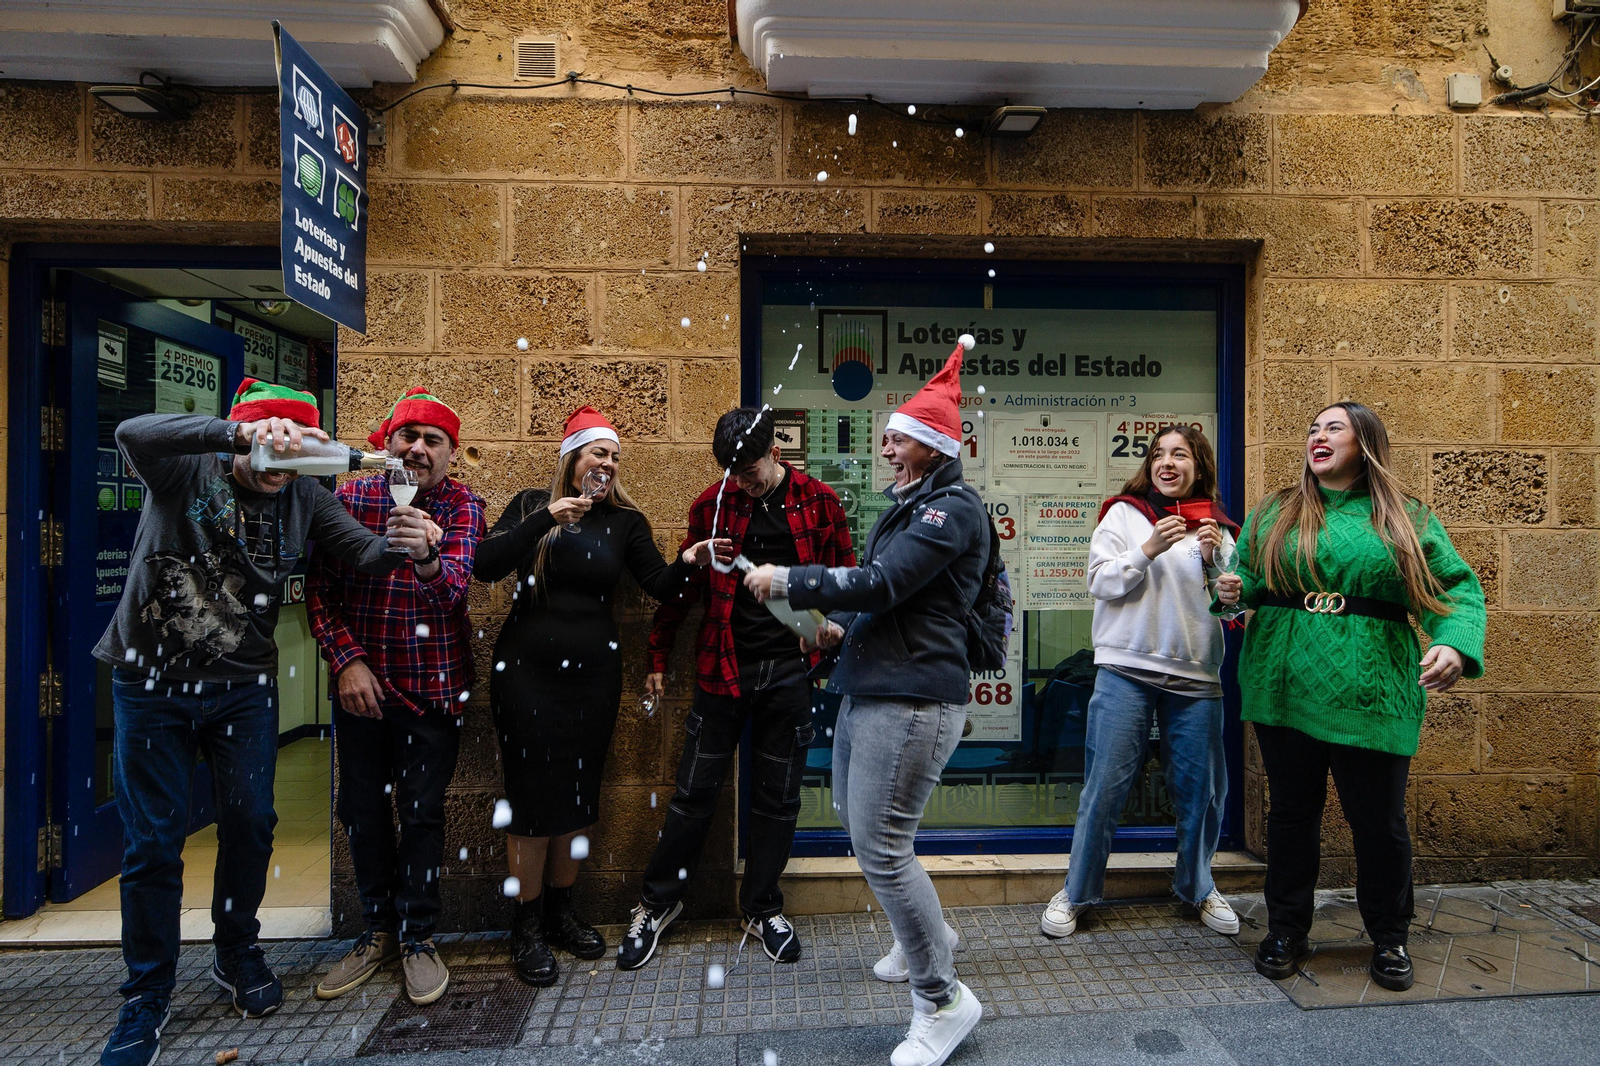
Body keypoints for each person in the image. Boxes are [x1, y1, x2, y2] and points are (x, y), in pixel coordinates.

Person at [93, 381, 428, 1066]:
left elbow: (363, 555)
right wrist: (235, 433)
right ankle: (146, 995)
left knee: (250, 822)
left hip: (242, 685)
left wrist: (407, 544)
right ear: (248, 434)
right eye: (276, 443)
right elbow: (132, 432)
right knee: (153, 842)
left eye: (301, 451)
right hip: (149, 681)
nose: (285, 463)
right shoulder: (186, 467)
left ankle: (236, 951)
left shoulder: (305, 495)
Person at [745, 342, 988, 1066]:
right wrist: (835, 629)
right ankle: (931, 938)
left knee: (883, 848)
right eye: (884, 433)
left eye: (898, 434)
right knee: (862, 824)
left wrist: (794, 578)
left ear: (935, 445)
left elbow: (884, 583)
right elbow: (888, 602)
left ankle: (943, 999)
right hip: (873, 685)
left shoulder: (952, 509)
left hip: (914, 696)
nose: (885, 442)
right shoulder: (909, 505)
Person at [1216, 402, 1485, 993]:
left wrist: (1455, 646)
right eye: (1313, 428)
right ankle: (1287, 930)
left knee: (1378, 822)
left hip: (1372, 690)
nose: (1318, 435)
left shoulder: (1406, 518)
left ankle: (1389, 936)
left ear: (1365, 444)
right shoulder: (1277, 511)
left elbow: (1458, 591)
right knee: (1290, 816)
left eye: (1333, 427)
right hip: (1284, 682)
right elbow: (1249, 587)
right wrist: (1235, 589)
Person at [473, 406, 728, 988]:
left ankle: (563, 914)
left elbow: (660, 586)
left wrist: (690, 560)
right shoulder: (532, 505)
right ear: (573, 459)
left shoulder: (625, 522)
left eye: (614, 457)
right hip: (526, 675)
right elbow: (486, 567)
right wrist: (546, 518)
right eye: (599, 454)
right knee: (531, 799)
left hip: (592, 678)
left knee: (581, 796)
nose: (608, 465)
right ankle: (526, 926)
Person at [618, 408, 855, 971]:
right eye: (732, 473)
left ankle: (762, 906)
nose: (742, 483)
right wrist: (657, 651)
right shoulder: (712, 505)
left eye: (749, 471)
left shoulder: (820, 502)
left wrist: (832, 626)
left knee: (778, 800)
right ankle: (656, 905)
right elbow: (684, 589)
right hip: (721, 671)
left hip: (790, 675)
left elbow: (847, 578)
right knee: (692, 796)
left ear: (775, 450)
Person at [307, 386, 486, 1006]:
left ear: (450, 454)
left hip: (433, 689)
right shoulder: (348, 498)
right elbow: (320, 591)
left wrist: (430, 556)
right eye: (408, 437)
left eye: (432, 441)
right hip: (362, 691)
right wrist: (347, 661)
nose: (417, 449)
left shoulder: (464, 506)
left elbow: (453, 596)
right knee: (360, 811)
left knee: (422, 813)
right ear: (387, 443)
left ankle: (418, 937)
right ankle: (376, 930)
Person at [1038, 426, 1241, 942]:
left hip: (1196, 677)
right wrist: (1148, 548)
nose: (1167, 463)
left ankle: (1197, 885)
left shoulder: (1217, 529)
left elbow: (1235, 610)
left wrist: (1223, 572)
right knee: (1105, 788)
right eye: (1158, 455)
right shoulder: (1124, 515)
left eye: (1180, 455)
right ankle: (1077, 891)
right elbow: (1100, 582)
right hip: (1125, 669)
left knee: (1203, 793)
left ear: (1200, 466)